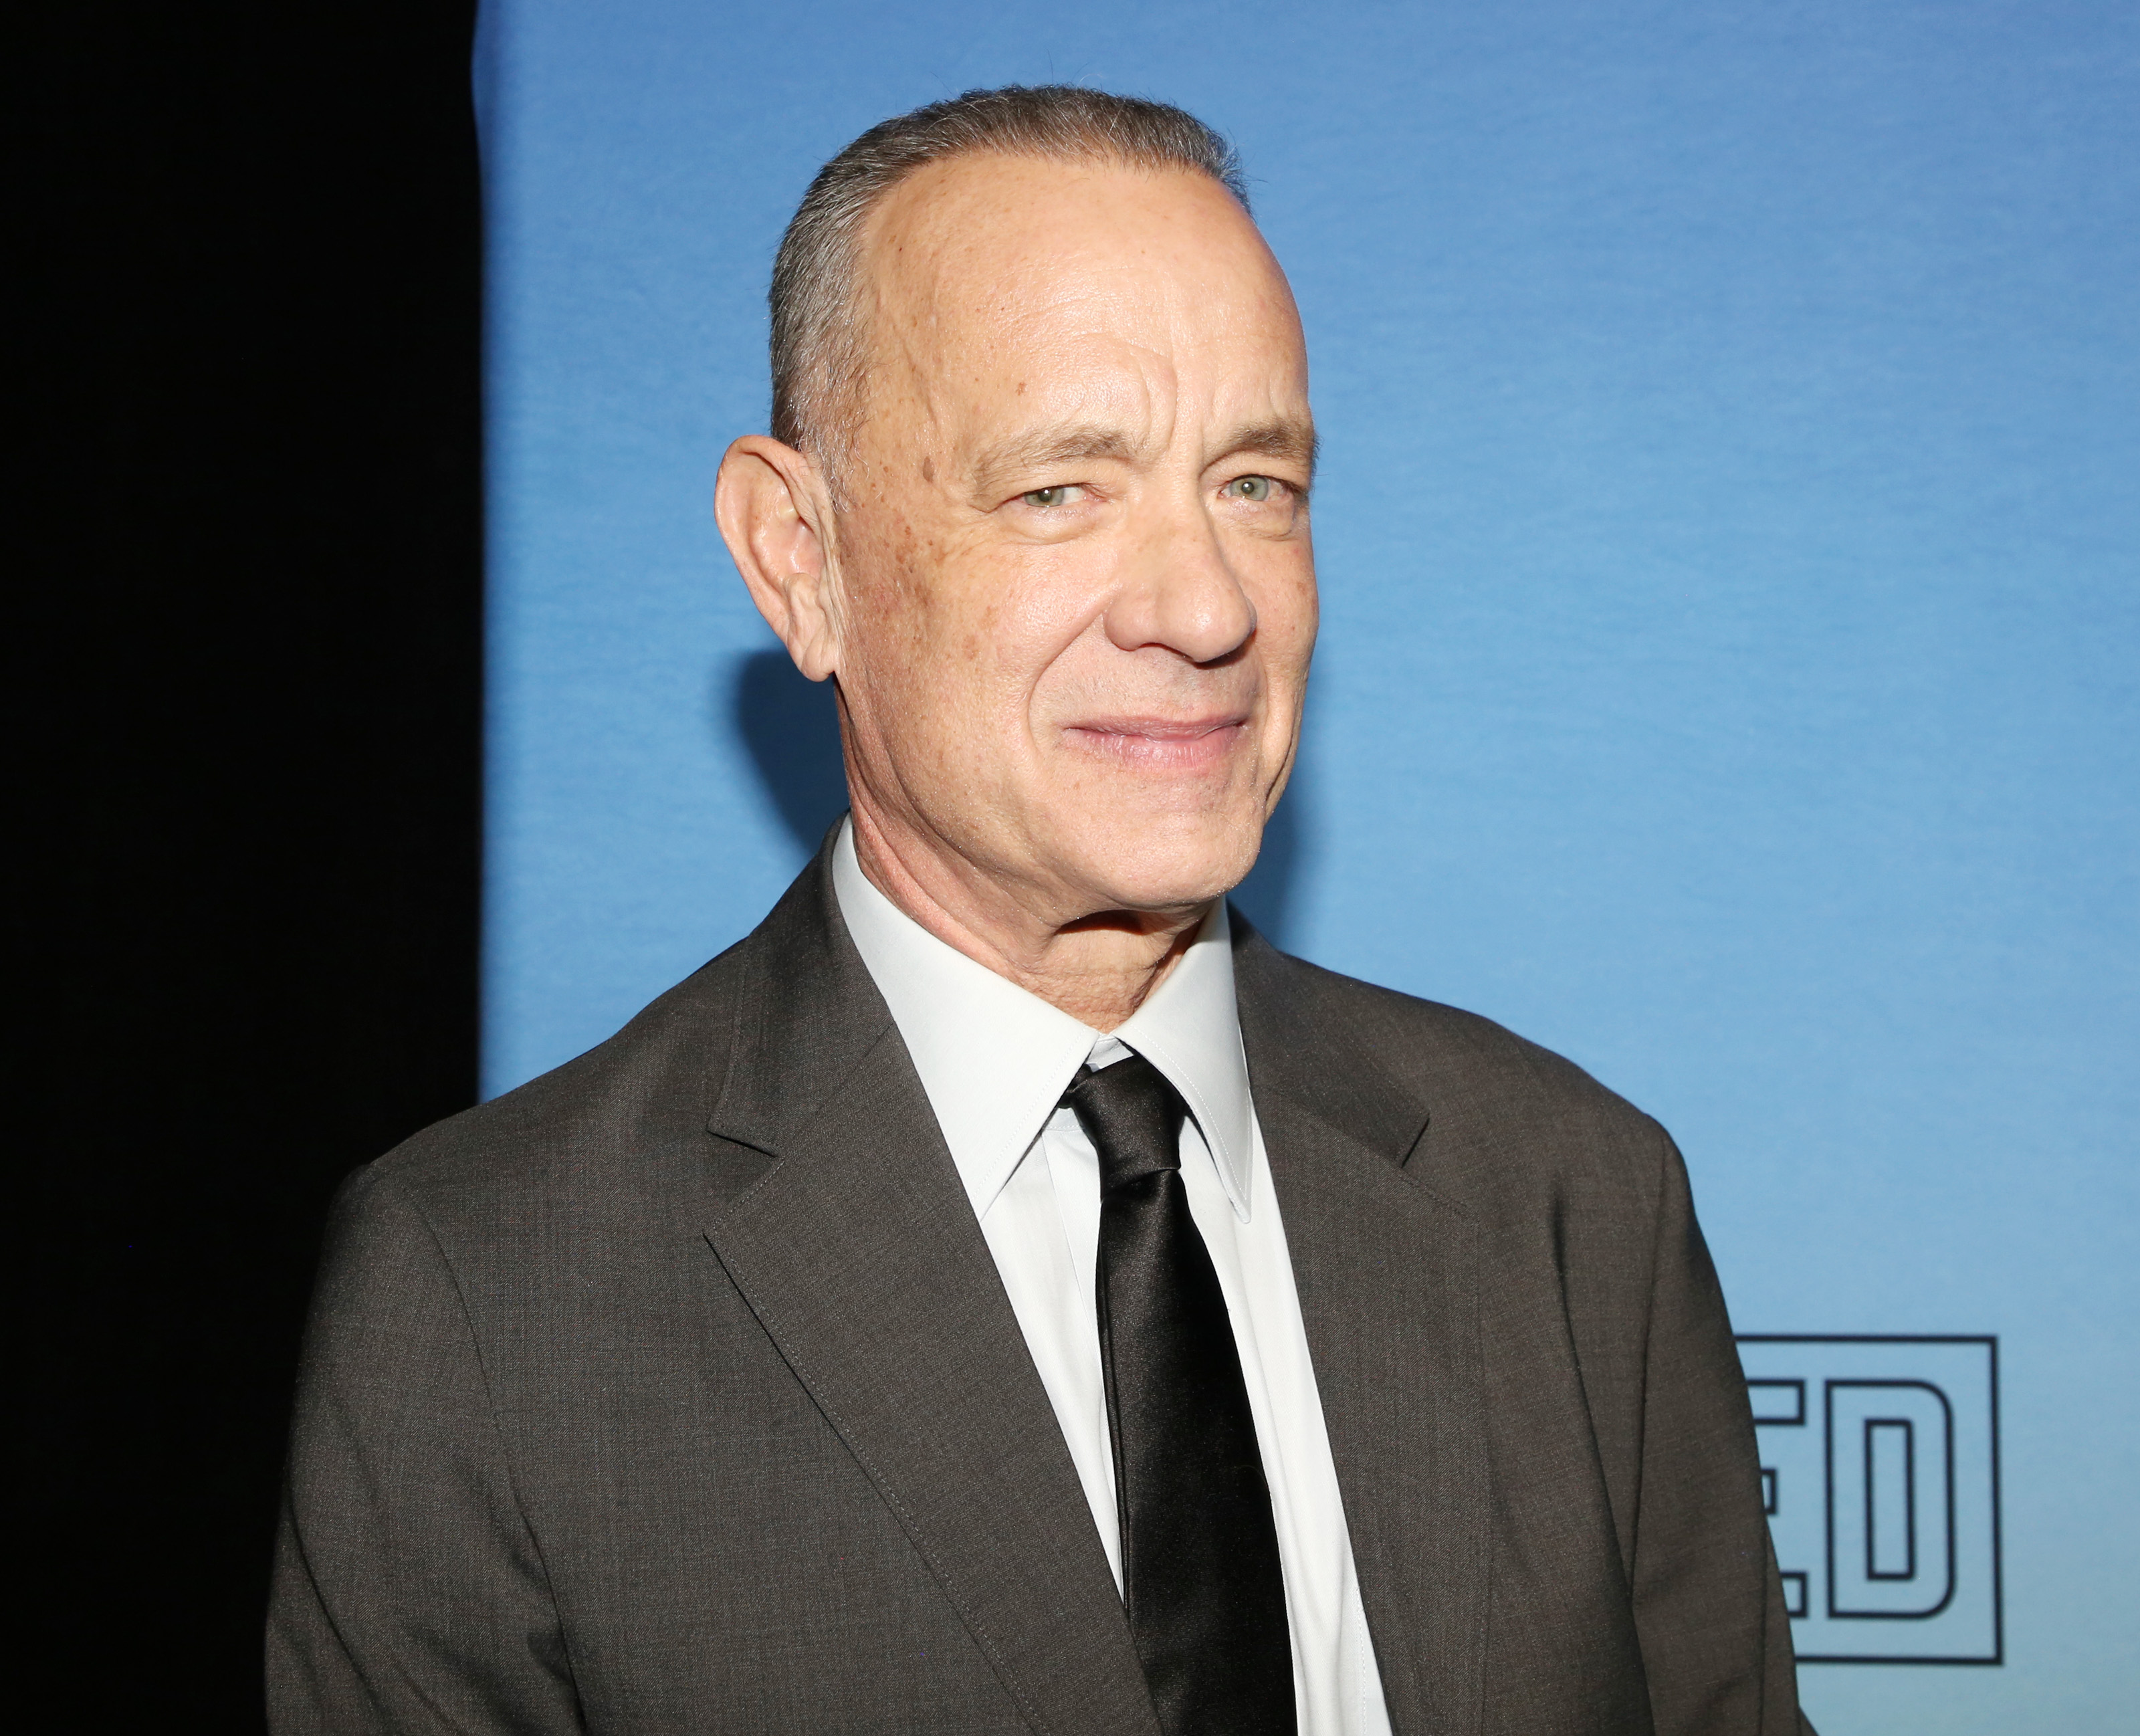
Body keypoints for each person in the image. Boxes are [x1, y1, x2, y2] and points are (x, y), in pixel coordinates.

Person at [268, 86, 1811, 1735]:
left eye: (1254, 484)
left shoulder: (1573, 1200)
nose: (1207, 605)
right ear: (800, 559)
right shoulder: (493, 1291)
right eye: (1060, 490)